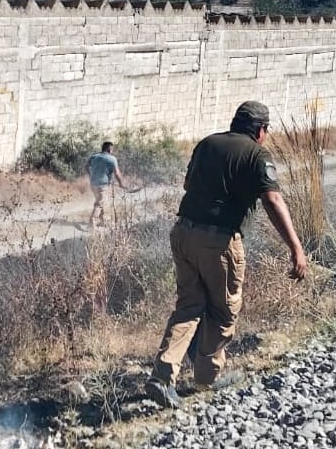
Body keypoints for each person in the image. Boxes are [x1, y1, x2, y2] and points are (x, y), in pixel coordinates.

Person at [148, 100, 308, 408]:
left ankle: (162, 376)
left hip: (183, 233)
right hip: (218, 241)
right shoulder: (257, 154)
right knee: (223, 312)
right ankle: (207, 378)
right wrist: (296, 248)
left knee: (189, 307)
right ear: (261, 130)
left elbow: (186, 183)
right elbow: (273, 200)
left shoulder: (207, 143)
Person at [86, 141, 125, 227]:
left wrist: (91, 175)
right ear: (109, 149)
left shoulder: (93, 156)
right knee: (99, 204)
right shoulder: (112, 158)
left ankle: (103, 221)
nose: (113, 151)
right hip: (102, 185)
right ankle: (91, 223)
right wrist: (121, 184)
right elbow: (117, 173)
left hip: (93, 184)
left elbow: (86, 166)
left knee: (102, 201)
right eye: (112, 149)